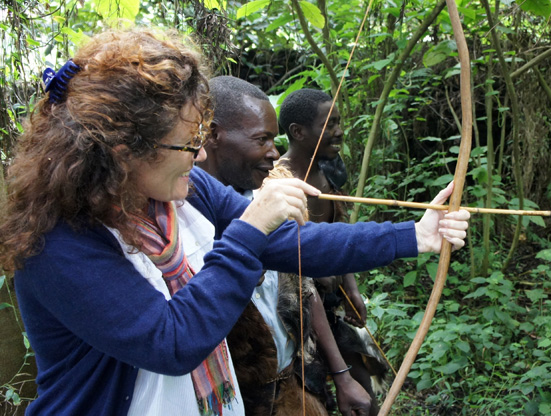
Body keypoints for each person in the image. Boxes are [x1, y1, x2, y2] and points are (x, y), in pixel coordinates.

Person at [0, 28, 470, 416]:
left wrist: (414, 234)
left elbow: (289, 243)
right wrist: (249, 229)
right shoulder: (56, 241)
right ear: (123, 152)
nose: (201, 155)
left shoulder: (180, 193)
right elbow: (172, 341)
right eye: (187, 145)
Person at [198, 75, 370, 415]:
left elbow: (303, 283)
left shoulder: (265, 194)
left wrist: (341, 374)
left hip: (290, 381)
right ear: (213, 134)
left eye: (273, 140)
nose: (273, 153)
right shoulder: (183, 222)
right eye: (261, 139)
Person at [277, 89, 380, 415]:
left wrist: (351, 289)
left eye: (339, 122)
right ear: (298, 132)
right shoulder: (278, 183)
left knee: (367, 395)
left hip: (332, 305)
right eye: (329, 124)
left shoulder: (331, 170)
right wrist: (340, 375)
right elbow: (300, 284)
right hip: (299, 316)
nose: (339, 131)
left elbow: (338, 236)